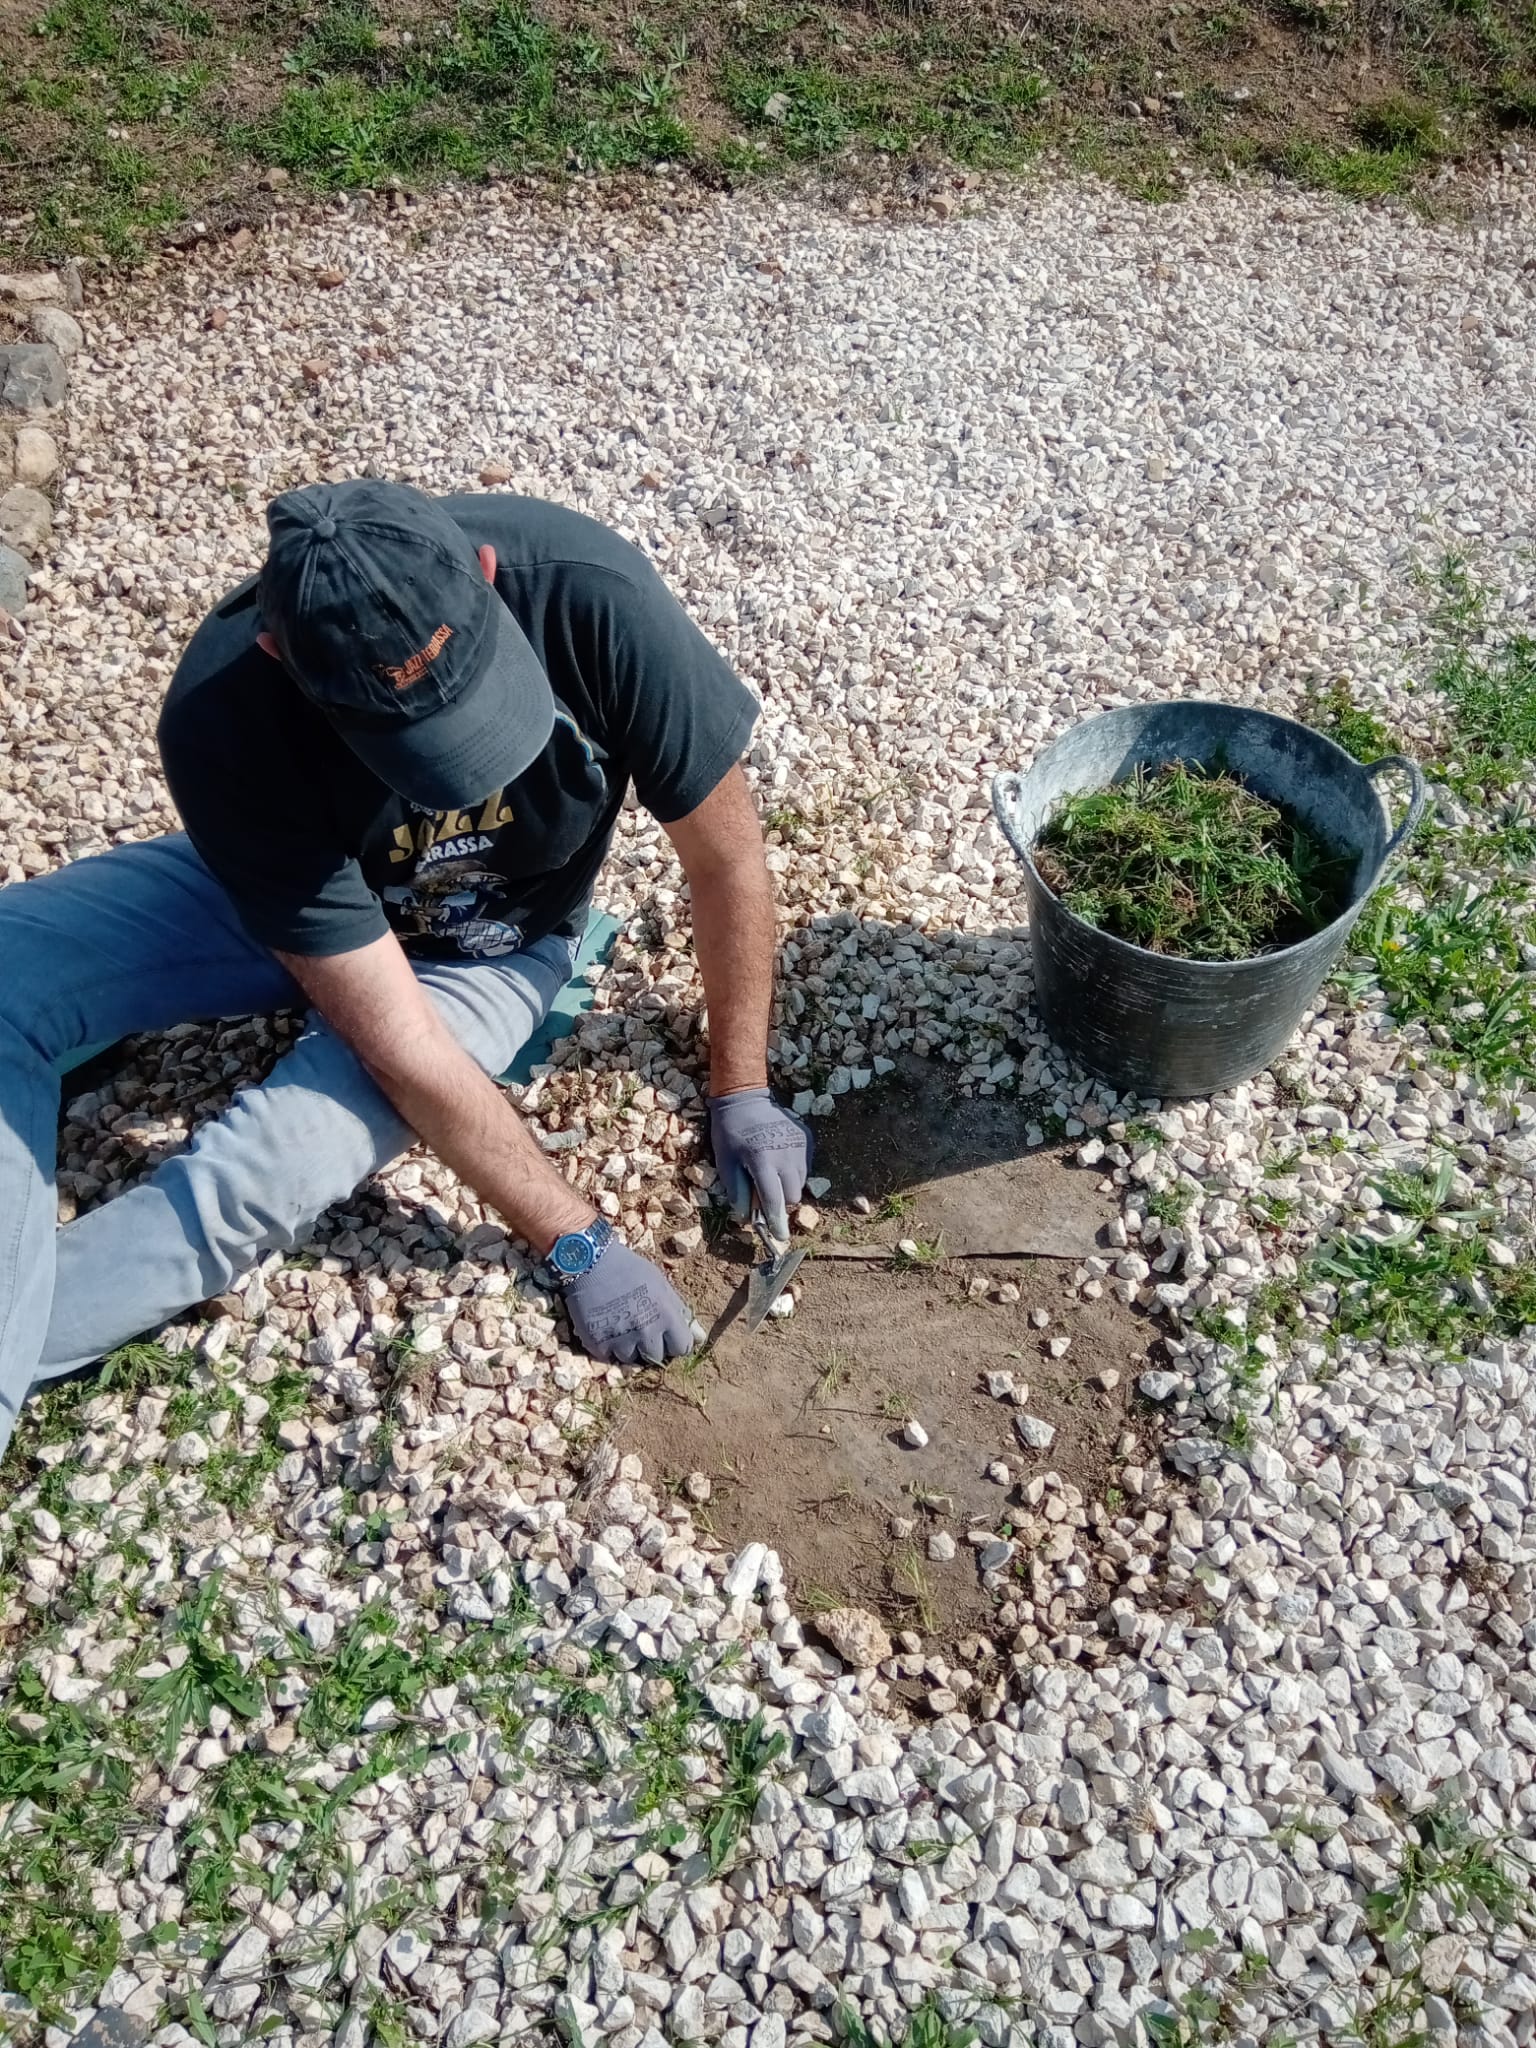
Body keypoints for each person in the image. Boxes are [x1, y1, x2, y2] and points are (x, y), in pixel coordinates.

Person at [0, 480, 812, 1455]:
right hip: (294, 900)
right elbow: (393, 1037)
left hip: (489, 942)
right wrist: (577, 1233)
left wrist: (743, 1087)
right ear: (279, 658)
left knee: (266, 1174)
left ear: (483, 572)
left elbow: (726, 859)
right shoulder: (225, 711)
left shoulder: (590, 595)